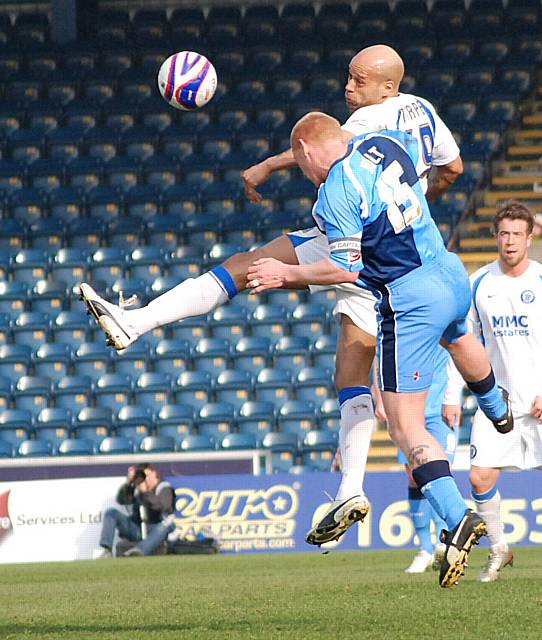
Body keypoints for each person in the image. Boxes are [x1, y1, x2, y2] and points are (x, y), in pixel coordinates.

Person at [80, 44, 462, 546]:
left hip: (360, 248)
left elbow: (320, 143)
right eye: (349, 78)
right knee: (351, 371)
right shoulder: (423, 110)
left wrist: (268, 165)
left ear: (386, 87)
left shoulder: (372, 120)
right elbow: (452, 169)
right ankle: (352, 489)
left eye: (358, 81)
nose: (349, 88)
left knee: (244, 267)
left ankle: (136, 321)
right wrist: (411, 206)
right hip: (407, 258)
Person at [247, 111, 514, 588]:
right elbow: (430, 168)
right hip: (448, 267)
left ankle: (456, 518)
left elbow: (346, 269)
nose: (306, 174)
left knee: (406, 425)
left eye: (302, 162)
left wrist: (284, 274)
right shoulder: (386, 141)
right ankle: (498, 409)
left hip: (409, 298)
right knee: (459, 337)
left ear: (307, 152)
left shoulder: (333, 194)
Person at [468, 200, 542, 582]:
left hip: (540, 399)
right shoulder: (479, 283)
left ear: (530, 238)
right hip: (498, 403)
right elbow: (464, 343)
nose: (509, 241)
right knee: (479, 478)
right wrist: (455, 397)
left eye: (517, 234)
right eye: (503, 234)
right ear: (495, 237)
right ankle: (499, 549)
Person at [372, 348, 463, 573]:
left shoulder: (441, 319)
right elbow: (379, 356)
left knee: (440, 472)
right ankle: (424, 548)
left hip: (441, 409)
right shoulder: (396, 323)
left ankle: (444, 543)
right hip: (408, 413)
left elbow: (461, 351)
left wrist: (455, 398)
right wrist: (379, 397)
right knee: (414, 477)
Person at [97, 464, 176, 558]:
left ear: (154, 474)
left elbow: (161, 506)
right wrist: (128, 483)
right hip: (135, 527)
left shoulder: (164, 488)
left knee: (164, 526)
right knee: (111, 513)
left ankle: (139, 551)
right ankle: (107, 550)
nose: (145, 479)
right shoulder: (137, 488)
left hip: (154, 528)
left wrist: (146, 492)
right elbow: (121, 500)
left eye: (147, 475)